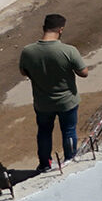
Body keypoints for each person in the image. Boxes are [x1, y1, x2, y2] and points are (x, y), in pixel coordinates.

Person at [19, 14, 87, 173]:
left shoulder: (28, 51)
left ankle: (44, 164)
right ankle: (70, 159)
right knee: (69, 130)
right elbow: (84, 73)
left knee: (43, 133)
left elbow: (23, 72)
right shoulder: (69, 51)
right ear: (61, 29)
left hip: (43, 103)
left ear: (44, 28)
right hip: (67, 102)